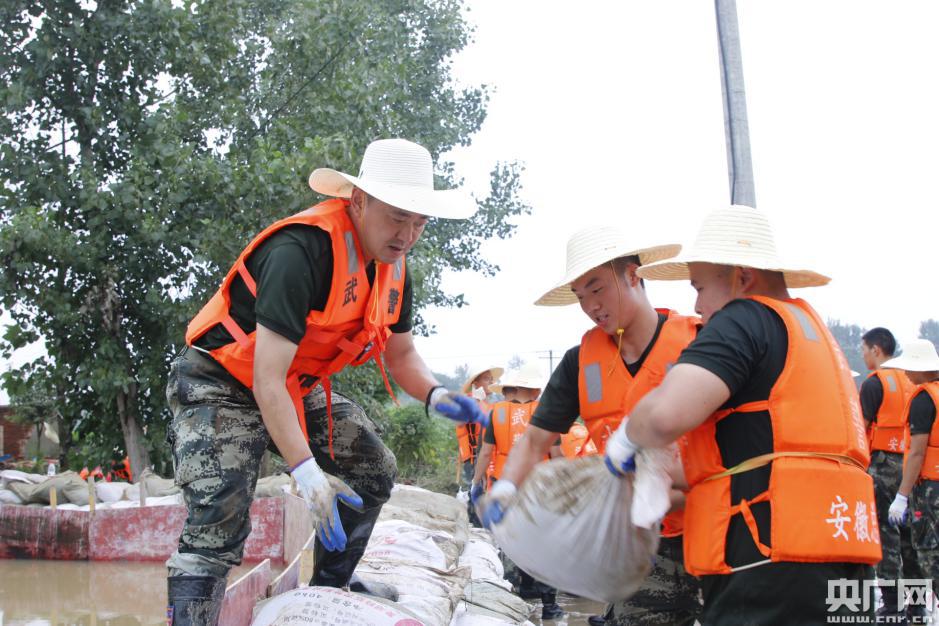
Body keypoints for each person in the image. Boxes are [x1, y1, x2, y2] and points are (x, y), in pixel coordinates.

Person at [164, 139, 488, 625]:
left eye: (420, 222)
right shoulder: (301, 251)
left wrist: (436, 393)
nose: (408, 235)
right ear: (359, 200)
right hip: (221, 380)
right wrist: (307, 473)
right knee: (219, 514)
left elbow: (402, 356)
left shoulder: (394, 265)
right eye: (398, 216)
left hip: (292, 383)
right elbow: (265, 379)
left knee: (372, 468)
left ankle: (330, 589)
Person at [606, 205, 881, 625]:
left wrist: (627, 438)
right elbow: (758, 448)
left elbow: (664, 416)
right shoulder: (807, 330)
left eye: (699, 286)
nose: (696, 306)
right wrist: (653, 470)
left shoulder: (746, 316)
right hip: (844, 555)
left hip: (769, 565)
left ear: (742, 277)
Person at [480, 226, 702, 626]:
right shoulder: (580, 362)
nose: (590, 306)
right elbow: (534, 441)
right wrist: (507, 490)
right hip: (638, 536)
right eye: (581, 297)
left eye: (597, 289)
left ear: (632, 276)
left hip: (711, 525)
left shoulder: (699, 342)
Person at [472, 363, 564, 620]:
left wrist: (476, 482)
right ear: (535, 390)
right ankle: (549, 605)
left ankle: (523, 589)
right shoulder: (546, 413)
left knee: (518, 538)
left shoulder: (496, 413)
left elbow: (486, 452)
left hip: (506, 484)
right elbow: (556, 454)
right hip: (540, 486)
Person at [860, 327, 922, 620]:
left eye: (863, 349)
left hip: (883, 465)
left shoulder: (875, 384)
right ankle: (917, 604)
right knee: (912, 538)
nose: (862, 355)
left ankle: (893, 602)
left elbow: (861, 428)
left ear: (876, 350)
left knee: (887, 536)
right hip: (912, 466)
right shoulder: (912, 381)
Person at [882, 339, 939, 621]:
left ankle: (915, 608)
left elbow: (917, 452)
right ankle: (916, 610)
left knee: (928, 553)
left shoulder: (923, 399)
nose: (905, 373)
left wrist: (901, 496)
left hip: (929, 489)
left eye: (909, 368)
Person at [457, 364, 502, 526]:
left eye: (491, 379)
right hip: (474, 456)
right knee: (475, 492)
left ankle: (487, 527)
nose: (490, 382)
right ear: (476, 382)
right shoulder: (467, 400)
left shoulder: (493, 403)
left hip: (491, 455)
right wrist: (476, 401)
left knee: (489, 492)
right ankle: (476, 529)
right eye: (486, 379)